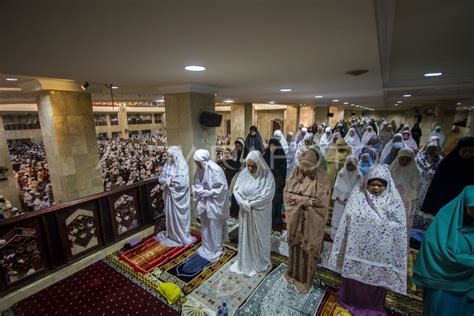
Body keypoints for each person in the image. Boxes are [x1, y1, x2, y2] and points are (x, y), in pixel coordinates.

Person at [329, 164, 407, 315]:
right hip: (357, 249)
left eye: (380, 185)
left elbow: (399, 228)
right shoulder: (358, 195)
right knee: (354, 278)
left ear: (387, 185)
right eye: (373, 184)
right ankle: (349, 300)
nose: (376, 188)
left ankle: (372, 306)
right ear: (367, 183)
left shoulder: (394, 201)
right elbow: (348, 219)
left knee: (375, 282)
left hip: (380, 253)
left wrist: (380, 226)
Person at [413, 186, 474, 316]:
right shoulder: (445, 219)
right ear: (463, 204)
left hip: (468, 288)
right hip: (441, 282)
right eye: (473, 208)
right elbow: (435, 250)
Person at [284, 145, 330, 293]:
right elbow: (287, 194)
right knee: (295, 246)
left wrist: (303, 201)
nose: (304, 170)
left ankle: (305, 280)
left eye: (308, 167)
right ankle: (292, 273)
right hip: (295, 219)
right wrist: (304, 201)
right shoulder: (295, 173)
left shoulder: (322, 178)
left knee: (307, 249)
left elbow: (321, 202)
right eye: (303, 166)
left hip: (311, 221)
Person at [229, 151, 275, 277]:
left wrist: (251, 204)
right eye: (248, 165)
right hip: (245, 212)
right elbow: (236, 189)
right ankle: (247, 260)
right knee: (246, 237)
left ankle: (260, 261)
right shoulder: (244, 173)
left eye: (253, 166)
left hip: (259, 214)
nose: (250, 168)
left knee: (260, 238)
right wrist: (242, 202)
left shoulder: (267, 176)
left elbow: (267, 196)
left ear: (259, 164)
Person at [420, 137, 474, 218]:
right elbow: (437, 185)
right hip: (445, 201)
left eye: (471, 151)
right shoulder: (447, 163)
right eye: (464, 150)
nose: (467, 154)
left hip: (465, 204)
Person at [192, 150, 229, 262]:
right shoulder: (199, 170)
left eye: (199, 162)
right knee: (205, 225)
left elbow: (222, 189)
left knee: (214, 226)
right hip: (204, 203)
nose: (198, 165)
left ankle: (216, 249)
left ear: (204, 160)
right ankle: (207, 247)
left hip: (214, 204)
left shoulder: (216, 170)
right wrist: (199, 191)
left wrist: (208, 193)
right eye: (196, 163)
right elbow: (196, 184)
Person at [156, 146, 196, 247]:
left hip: (179, 197)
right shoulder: (167, 165)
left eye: (171, 156)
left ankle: (182, 235)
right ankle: (172, 234)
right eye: (168, 156)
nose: (168, 158)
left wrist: (171, 182)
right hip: (169, 195)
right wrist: (168, 181)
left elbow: (183, 183)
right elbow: (161, 178)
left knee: (180, 217)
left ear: (176, 156)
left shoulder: (183, 166)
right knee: (170, 215)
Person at [389, 148, 421, 238]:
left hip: (407, 200)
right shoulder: (392, 169)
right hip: (392, 198)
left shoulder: (416, 171)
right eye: (402, 159)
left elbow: (417, 186)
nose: (404, 162)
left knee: (404, 220)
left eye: (407, 160)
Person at [330, 156, 362, 240]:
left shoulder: (358, 175)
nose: (350, 167)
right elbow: (337, 186)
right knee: (337, 217)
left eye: (352, 165)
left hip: (351, 203)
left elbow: (359, 190)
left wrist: (348, 198)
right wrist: (338, 197)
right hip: (339, 201)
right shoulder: (342, 173)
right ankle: (335, 236)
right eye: (348, 165)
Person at [263, 137, 287, 227]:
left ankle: (276, 220)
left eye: (274, 145)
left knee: (276, 201)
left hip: (278, 182)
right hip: (268, 182)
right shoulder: (267, 154)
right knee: (268, 201)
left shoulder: (281, 154)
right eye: (270, 145)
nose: (272, 147)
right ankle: (268, 219)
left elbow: (282, 170)